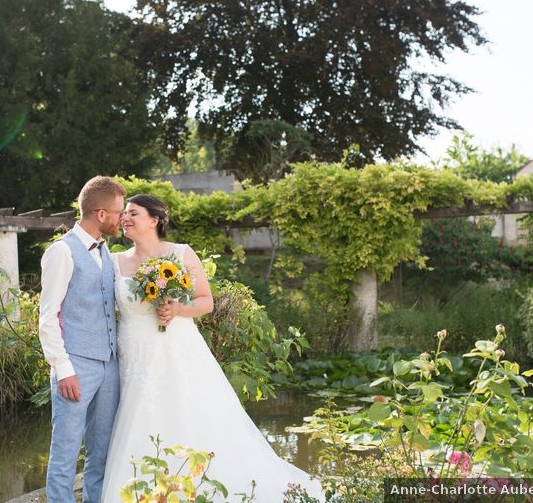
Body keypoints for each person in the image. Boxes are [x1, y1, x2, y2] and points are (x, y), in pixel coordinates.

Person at [101, 194, 322, 502]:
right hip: (134, 353)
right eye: (124, 213)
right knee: (139, 416)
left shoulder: (181, 253)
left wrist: (177, 308)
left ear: (154, 220)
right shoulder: (113, 262)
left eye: (133, 213)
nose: (125, 218)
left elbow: (206, 301)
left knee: (190, 413)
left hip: (178, 349)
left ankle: (198, 486)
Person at [39, 175, 127, 503]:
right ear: (101, 214)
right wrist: (63, 369)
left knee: (101, 453)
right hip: (75, 366)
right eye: (119, 212)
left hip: (109, 366)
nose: (122, 218)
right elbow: (48, 316)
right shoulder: (62, 252)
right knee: (64, 454)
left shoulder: (106, 254)